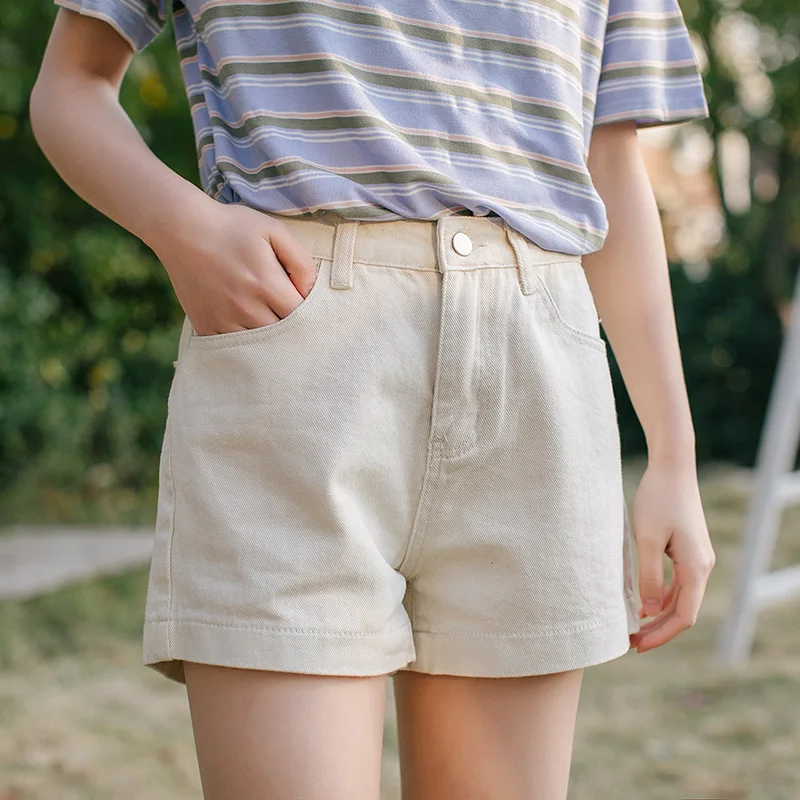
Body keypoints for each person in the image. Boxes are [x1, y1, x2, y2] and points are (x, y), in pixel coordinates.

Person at [30, 1, 716, 797]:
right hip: (296, 370)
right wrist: (186, 228)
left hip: (537, 377)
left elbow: (607, 162)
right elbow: (71, 85)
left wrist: (673, 452)